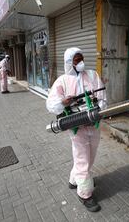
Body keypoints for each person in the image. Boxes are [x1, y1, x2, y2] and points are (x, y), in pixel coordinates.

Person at [46, 47, 107, 212]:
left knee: (90, 156)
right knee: (83, 159)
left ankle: (75, 180)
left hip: (93, 123)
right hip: (76, 127)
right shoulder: (62, 81)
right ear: (68, 63)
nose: (80, 62)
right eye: (76, 60)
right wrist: (64, 102)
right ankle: (85, 193)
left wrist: (97, 110)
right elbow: (51, 104)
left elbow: (102, 98)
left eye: (81, 58)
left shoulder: (93, 75)